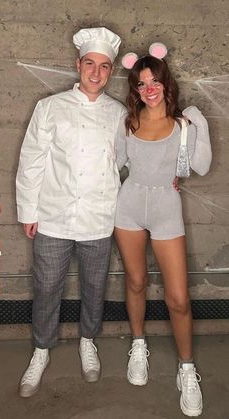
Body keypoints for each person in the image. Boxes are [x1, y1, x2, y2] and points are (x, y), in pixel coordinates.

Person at [16, 26, 126, 397]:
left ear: (111, 72)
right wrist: (29, 210)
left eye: (105, 66)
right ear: (78, 64)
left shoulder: (119, 114)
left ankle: (87, 342)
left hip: (99, 216)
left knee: (95, 287)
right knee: (47, 287)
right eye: (90, 64)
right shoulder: (50, 108)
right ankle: (42, 349)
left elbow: (129, 163)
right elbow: (32, 161)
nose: (96, 73)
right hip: (53, 215)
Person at [114, 43, 212, 417]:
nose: (149, 88)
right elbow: (114, 165)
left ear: (165, 83)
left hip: (166, 209)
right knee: (136, 281)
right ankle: (138, 344)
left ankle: (187, 370)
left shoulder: (183, 124)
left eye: (155, 81)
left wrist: (199, 121)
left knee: (178, 299)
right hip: (128, 208)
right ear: (135, 89)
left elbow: (201, 166)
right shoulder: (127, 122)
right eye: (142, 84)